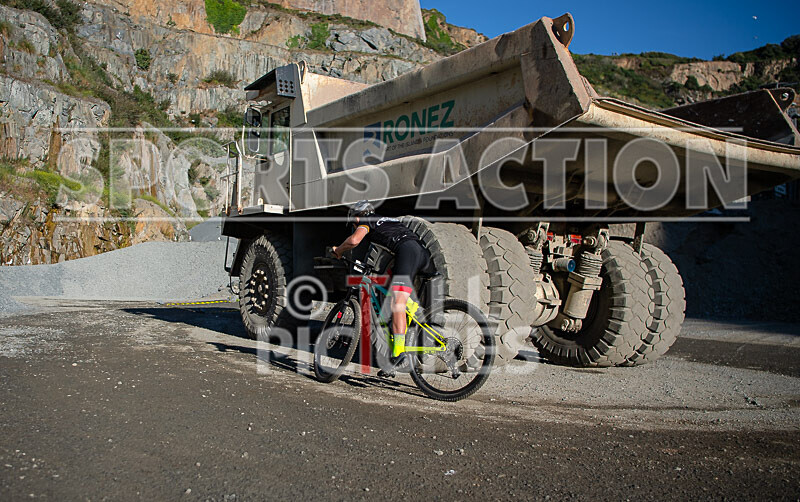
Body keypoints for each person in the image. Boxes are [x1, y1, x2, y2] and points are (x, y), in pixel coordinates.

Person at [332, 201, 433, 360]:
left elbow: (354, 241)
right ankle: (412, 307)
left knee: (396, 303)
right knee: (395, 287)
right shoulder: (387, 220)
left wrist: (338, 250)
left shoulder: (366, 222)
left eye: (353, 222)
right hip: (422, 252)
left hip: (407, 252)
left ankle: (399, 352)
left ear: (357, 217)